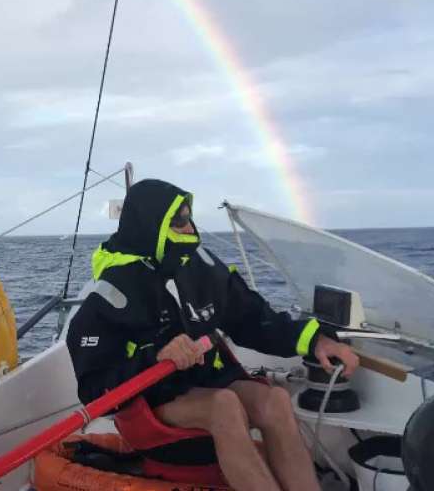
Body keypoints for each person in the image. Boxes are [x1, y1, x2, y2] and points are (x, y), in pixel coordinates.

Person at [66, 179, 359, 491]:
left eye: (188, 217)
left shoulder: (200, 267)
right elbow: (95, 390)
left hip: (209, 379)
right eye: (177, 221)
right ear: (153, 225)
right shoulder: (110, 295)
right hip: (151, 400)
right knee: (224, 405)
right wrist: (155, 358)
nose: (189, 227)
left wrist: (316, 340)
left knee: (275, 400)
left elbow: (252, 318)